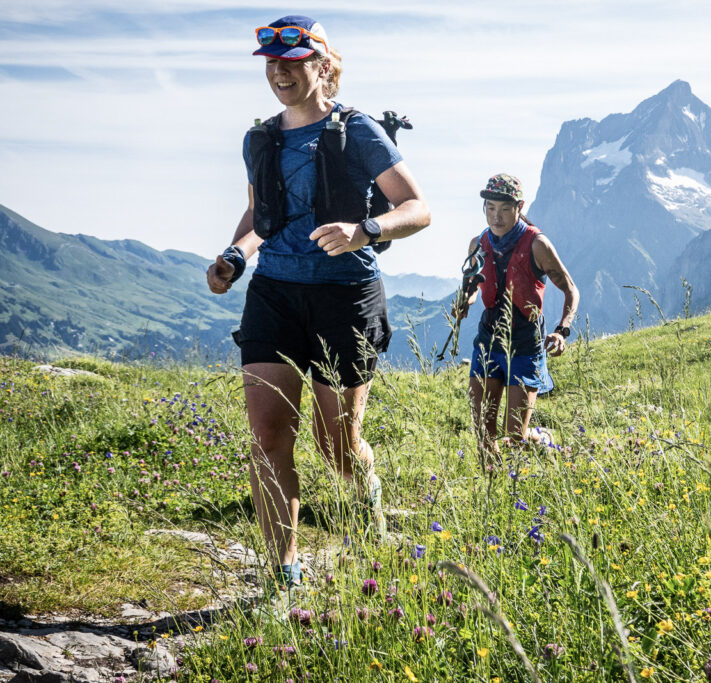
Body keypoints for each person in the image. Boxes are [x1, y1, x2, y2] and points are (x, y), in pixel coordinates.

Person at [205, 15, 430, 588]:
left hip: (345, 294)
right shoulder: (261, 138)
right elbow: (262, 215)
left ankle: (370, 508)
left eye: (293, 62)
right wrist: (235, 255)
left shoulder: (357, 131)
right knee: (268, 434)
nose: (279, 73)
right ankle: (285, 573)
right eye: (271, 65)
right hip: (275, 293)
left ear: (322, 66)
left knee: (338, 445)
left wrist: (367, 231)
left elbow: (417, 208)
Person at [456, 174, 579, 466]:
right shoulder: (478, 243)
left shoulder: (537, 244)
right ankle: (491, 498)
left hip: (524, 344)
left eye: (504, 209)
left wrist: (562, 330)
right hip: (488, 341)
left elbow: (570, 289)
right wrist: (466, 302)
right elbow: (472, 285)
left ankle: (542, 440)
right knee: (483, 434)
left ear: (519, 207)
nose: (496, 216)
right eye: (490, 208)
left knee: (513, 438)